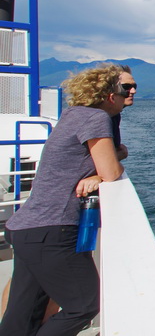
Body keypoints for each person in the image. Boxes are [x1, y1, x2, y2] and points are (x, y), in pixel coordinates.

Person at [0, 63, 135, 336]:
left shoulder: (73, 114)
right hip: (52, 230)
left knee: (22, 313)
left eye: (134, 87)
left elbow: (107, 156)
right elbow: (111, 170)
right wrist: (103, 171)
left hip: (27, 227)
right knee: (85, 304)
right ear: (109, 93)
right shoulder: (95, 119)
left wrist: (103, 167)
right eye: (126, 87)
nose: (132, 91)